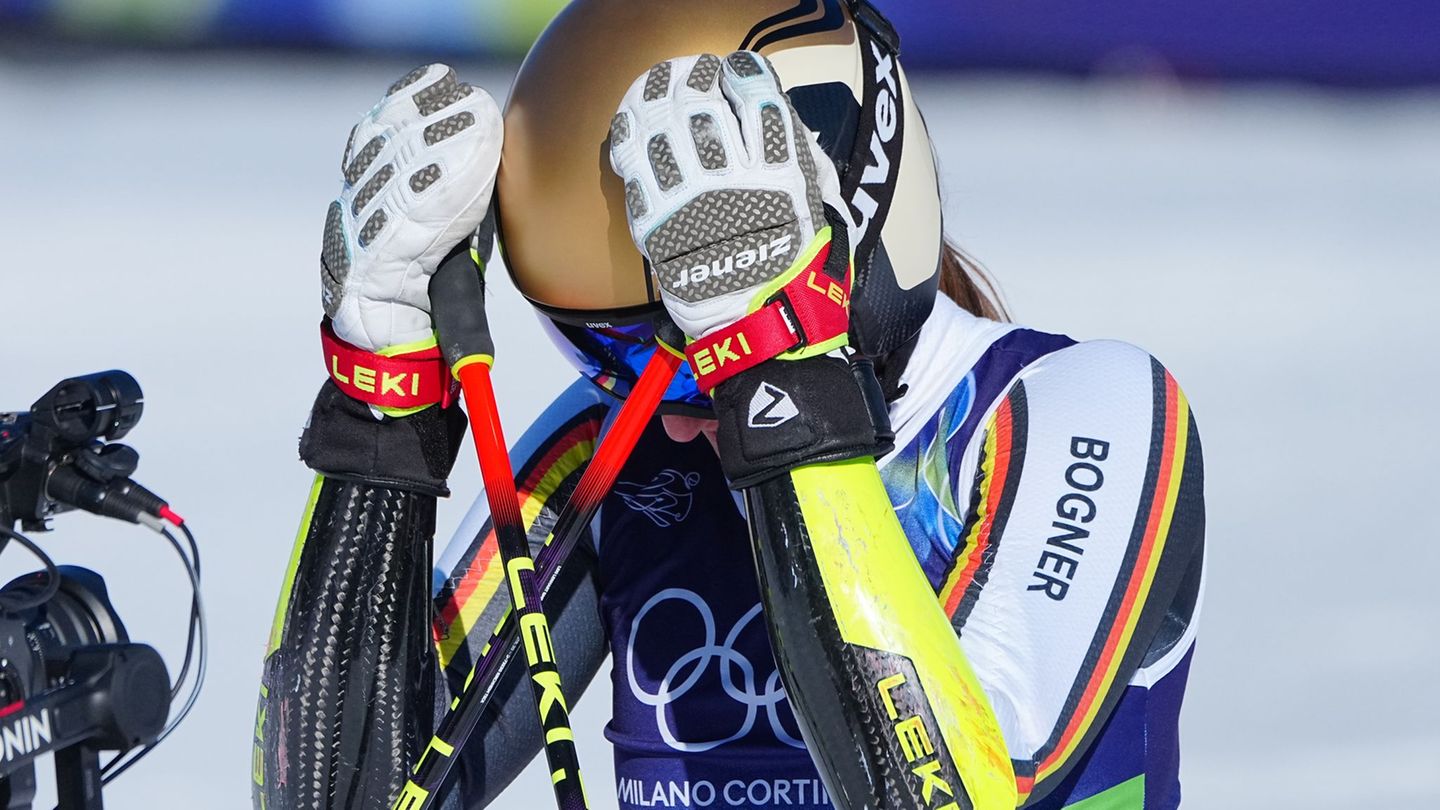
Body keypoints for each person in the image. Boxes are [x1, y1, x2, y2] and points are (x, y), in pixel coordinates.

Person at [252, 2, 1206, 809]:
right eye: (607, 353)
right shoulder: (612, 451)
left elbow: (963, 788)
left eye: (697, 349)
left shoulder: (1082, 406)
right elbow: (354, 794)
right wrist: (384, 417)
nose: (667, 417)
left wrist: (781, 384)